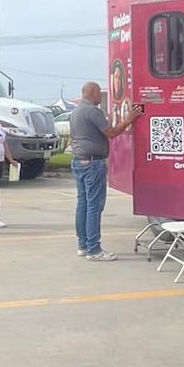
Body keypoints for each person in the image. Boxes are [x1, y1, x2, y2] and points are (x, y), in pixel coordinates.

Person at [69, 81, 142, 261]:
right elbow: (111, 132)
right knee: (94, 206)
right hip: (93, 163)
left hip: (78, 161)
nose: (98, 98)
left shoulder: (75, 112)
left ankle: (83, 245)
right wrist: (128, 120)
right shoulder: (92, 111)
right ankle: (94, 249)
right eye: (97, 94)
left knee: (83, 204)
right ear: (92, 93)